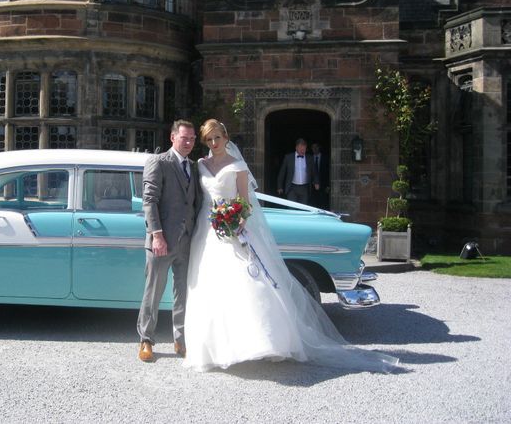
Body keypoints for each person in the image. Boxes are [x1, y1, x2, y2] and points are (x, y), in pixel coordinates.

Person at [183, 119, 400, 372]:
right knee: (210, 285)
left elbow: (244, 202)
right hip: (206, 231)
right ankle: (212, 348)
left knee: (248, 283)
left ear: (225, 137)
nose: (213, 143)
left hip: (233, 231)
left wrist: (238, 221)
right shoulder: (200, 165)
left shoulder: (237, 165)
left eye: (217, 138)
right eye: (208, 139)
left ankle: (259, 342)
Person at [137, 119, 200, 362]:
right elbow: (149, 200)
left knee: (183, 292)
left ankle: (180, 339)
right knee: (153, 292)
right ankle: (146, 340)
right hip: (161, 241)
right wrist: (157, 235)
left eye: (193, 139)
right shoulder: (158, 162)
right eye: (185, 138)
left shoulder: (192, 167)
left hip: (187, 241)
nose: (189, 143)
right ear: (173, 138)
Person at [276, 138, 318, 205]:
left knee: (303, 209)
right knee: (291, 208)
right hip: (292, 187)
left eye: (304, 149)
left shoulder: (310, 158)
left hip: (304, 188)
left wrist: (316, 182)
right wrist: (279, 186)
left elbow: (314, 172)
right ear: (296, 148)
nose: (302, 151)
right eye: (301, 149)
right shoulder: (288, 157)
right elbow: (282, 172)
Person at [310, 141, 330, 209]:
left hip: (323, 185)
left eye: (316, 147)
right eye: (313, 147)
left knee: (323, 203)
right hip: (311, 186)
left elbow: (328, 172)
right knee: (312, 203)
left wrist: (328, 185)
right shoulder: (309, 158)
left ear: (319, 148)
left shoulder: (326, 158)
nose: (314, 149)